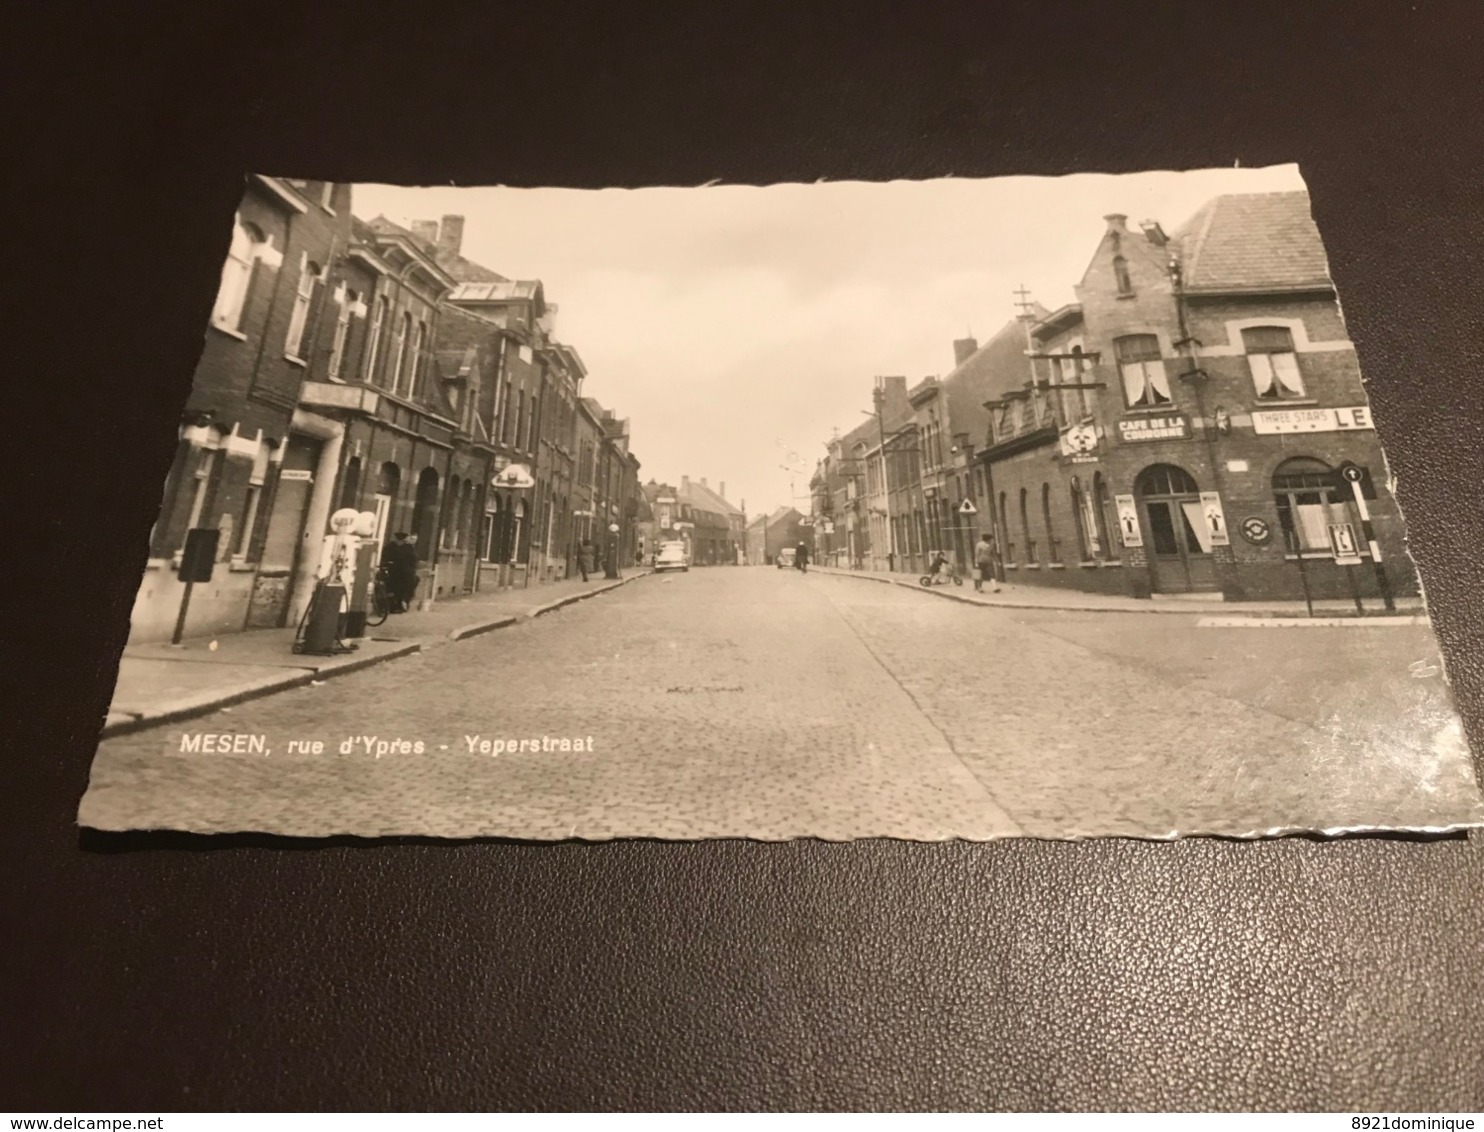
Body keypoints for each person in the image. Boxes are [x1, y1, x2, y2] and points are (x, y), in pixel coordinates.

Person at [380, 532, 420, 612]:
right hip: (397, 572)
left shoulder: (407, 548)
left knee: (410, 583)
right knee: (403, 585)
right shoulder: (397, 548)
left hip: (404, 573)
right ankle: (401, 603)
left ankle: (403, 602)